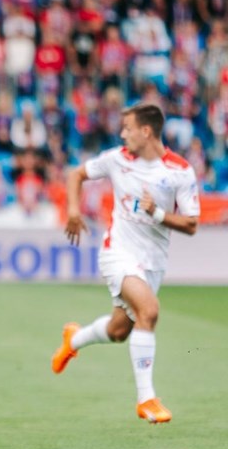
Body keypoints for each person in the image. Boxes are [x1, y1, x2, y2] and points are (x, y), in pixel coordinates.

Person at [51, 103, 200, 423]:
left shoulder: (179, 171)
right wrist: (73, 211)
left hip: (153, 262)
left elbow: (191, 224)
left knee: (119, 330)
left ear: (146, 132)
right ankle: (146, 400)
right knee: (150, 311)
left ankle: (73, 339)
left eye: (128, 128)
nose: (122, 134)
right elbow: (76, 174)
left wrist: (157, 213)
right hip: (117, 252)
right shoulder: (117, 159)